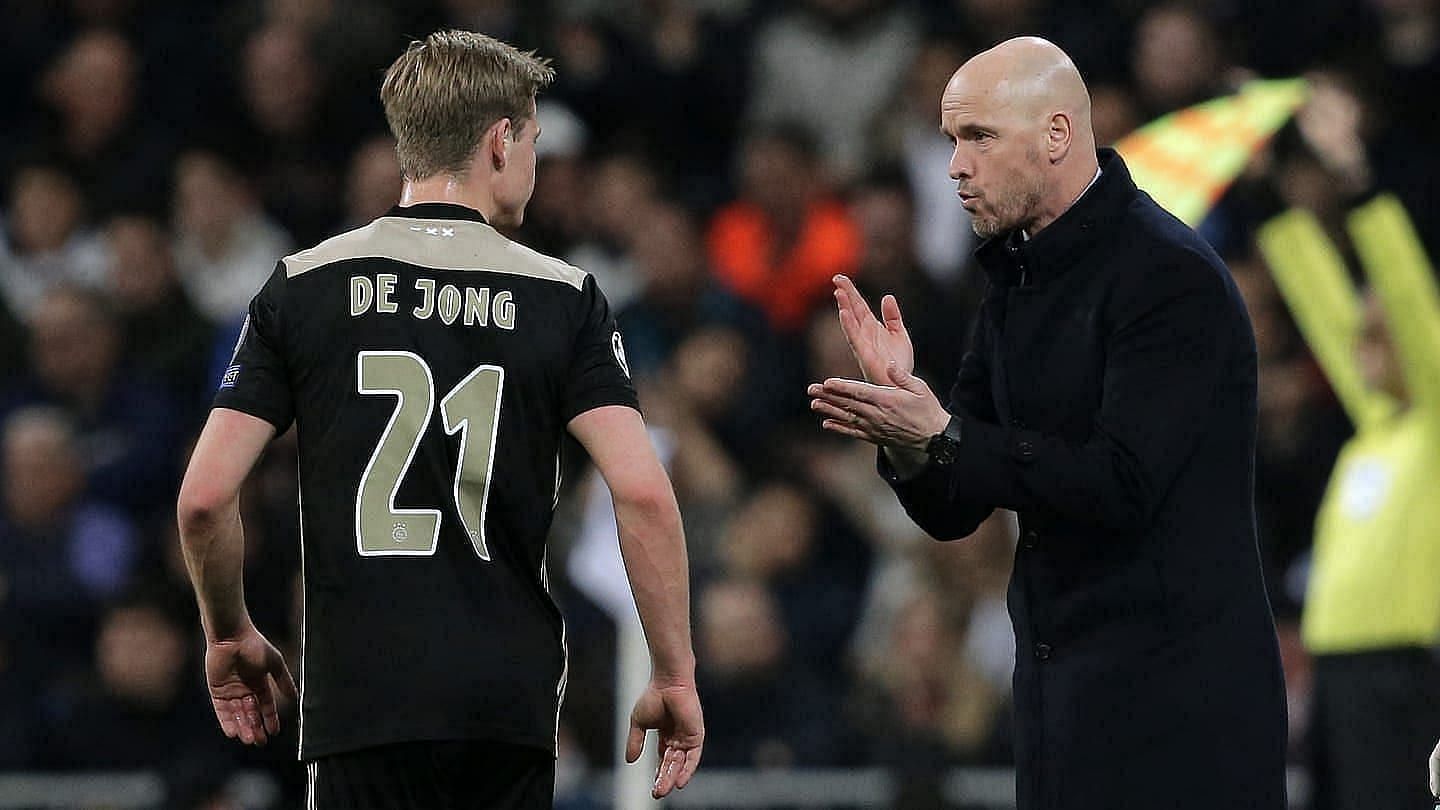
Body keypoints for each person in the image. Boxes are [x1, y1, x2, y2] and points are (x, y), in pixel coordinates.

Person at [176, 30, 703, 809]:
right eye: (532, 141)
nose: (533, 162)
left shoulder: (303, 285)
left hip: (359, 704)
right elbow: (646, 495)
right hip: (504, 709)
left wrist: (227, 632)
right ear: (500, 140)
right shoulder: (565, 297)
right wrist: (673, 671)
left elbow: (204, 498)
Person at [807, 38, 1286, 809]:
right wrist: (908, 426)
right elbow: (955, 507)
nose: (955, 167)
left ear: (1057, 135)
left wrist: (947, 437)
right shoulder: (1011, 282)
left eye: (978, 137)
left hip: (1181, 724)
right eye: (950, 141)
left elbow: (1122, 484)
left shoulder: (1170, 279)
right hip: (1062, 710)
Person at [1258, 199, 1440, 810]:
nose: (1362, 343)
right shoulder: (1376, 429)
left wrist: (1365, 197)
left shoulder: (1434, 429)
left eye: (1379, 334)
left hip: (1399, 667)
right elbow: (1328, 316)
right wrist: (1273, 206)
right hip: (1334, 665)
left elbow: (1409, 303)